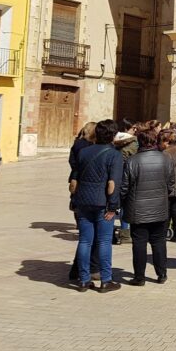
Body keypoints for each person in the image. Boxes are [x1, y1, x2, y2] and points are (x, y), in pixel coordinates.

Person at [70, 119, 124, 292]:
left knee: (85, 241)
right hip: (102, 203)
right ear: (114, 135)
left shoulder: (83, 152)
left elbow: (74, 180)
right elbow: (113, 184)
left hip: (83, 201)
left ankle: (84, 279)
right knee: (104, 242)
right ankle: (106, 280)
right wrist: (113, 207)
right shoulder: (114, 154)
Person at [121, 126, 174, 286]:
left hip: (138, 209)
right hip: (160, 207)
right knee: (159, 241)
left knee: (139, 243)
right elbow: (171, 184)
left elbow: (124, 187)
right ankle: (162, 273)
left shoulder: (132, 161)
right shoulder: (165, 159)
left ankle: (139, 277)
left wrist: (122, 202)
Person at [68, 121, 98, 281]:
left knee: (85, 237)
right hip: (90, 194)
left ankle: (76, 270)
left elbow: (73, 166)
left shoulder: (77, 145)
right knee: (91, 238)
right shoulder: (88, 149)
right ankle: (86, 270)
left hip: (78, 192)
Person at [159, 130, 176, 242]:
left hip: (171, 185)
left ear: (166, 141)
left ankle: (165, 232)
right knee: (175, 210)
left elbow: (166, 169)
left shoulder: (167, 153)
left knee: (168, 210)